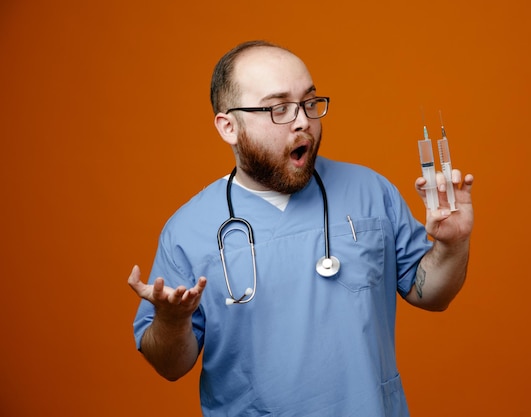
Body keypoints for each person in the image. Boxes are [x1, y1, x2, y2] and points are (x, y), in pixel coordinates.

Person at [128, 40, 474, 416]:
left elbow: (431, 295)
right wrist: (173, 319)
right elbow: (170, 366)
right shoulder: (187, 232)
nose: (303, 121)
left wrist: (452, 245)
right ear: (229, 126)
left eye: (309, 102)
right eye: (279, 108)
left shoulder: (370, 191)